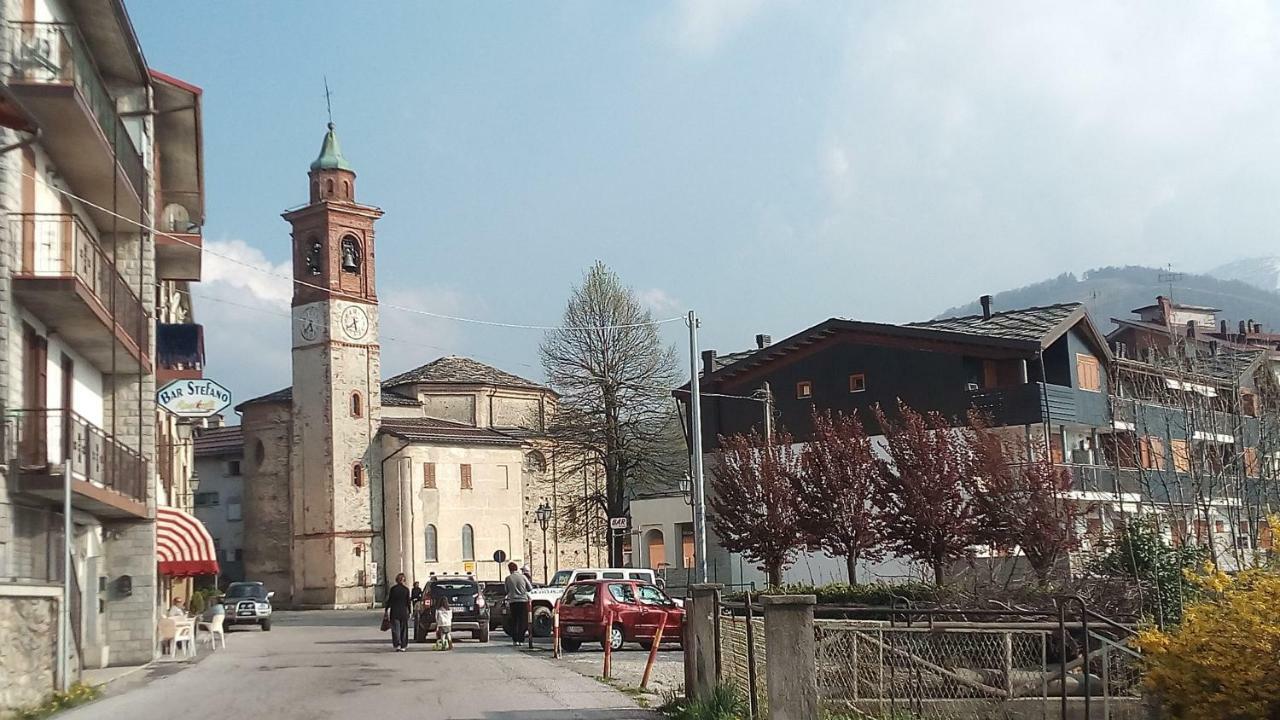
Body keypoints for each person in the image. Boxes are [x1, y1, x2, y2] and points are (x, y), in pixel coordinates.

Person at [504, 561, 533, 647]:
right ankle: (521, 639)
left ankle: (515, 640)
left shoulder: (508, 578)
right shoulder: (523, 577)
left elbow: (506, 590)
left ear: (509, 569)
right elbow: (530, 588)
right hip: (523, 601)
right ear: (516, 568)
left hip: (513, 601)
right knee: (522, 621)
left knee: (514, 621)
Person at [384, 573, 412, 651]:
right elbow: (408, 602)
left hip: (395, 611)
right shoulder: (406, 589)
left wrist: (386, 610)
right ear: (404, 580)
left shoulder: (393, 589)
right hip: (403, 612)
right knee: (404, 629)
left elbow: (390, 601)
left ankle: (397, 644)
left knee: (396, 629)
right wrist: (409, 611)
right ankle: (403, 645)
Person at [428, 580, 453, 650]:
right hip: (448, 624)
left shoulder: (439, 610)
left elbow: (437, 617)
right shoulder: (449, 610)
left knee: (442, 635)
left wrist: (437, 624)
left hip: (441, 624)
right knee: (448, 634)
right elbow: (451, 616)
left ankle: (443, 645)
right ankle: (450, 644)